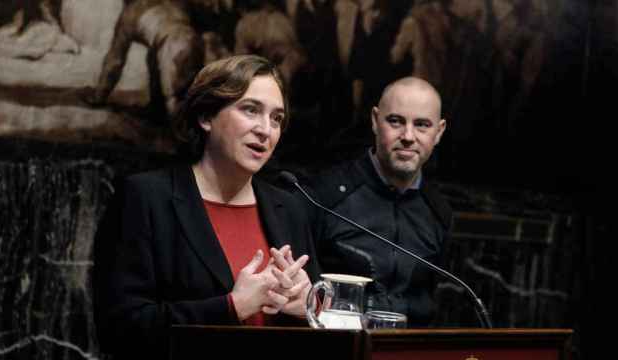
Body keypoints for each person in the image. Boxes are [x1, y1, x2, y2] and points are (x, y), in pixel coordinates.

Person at [93, 54, 319, 359]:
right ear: (206, 117)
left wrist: (310, 307)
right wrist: (231, 307)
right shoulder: (146, 198)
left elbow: (317, 329)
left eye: (276, 118)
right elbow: (119, 328)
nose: (266, 130)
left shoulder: (290, 208)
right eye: (251, 110)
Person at [307, 76, 451, 327]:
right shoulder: (325, 196)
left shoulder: (438, 211)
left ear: (438, 132)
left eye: (422, 125)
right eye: (395, 121)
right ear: (375, 121)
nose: (408, 136)